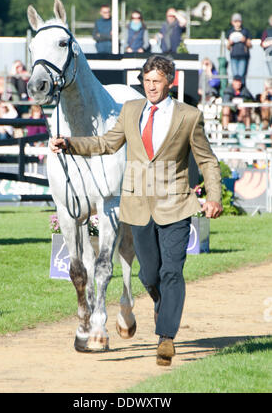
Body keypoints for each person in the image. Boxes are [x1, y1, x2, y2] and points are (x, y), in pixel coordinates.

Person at [49, 55, 223, 367]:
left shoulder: (189, 115)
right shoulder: (131, 111)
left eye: (156, 81)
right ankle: (160, 301)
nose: (151, 87)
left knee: (172, 271)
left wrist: (214, 196)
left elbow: (207, 160)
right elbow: (106, 143)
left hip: (175, 204)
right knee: (149, 274)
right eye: (147, 81)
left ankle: (166, 337)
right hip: (138, 207)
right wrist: (71, 144)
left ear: (169, 82)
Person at [226, 13, 252, 85]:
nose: (237, 24)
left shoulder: (245, 31)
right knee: (235, 75)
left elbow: (250, 45)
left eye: (239, 21)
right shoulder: (230, 32)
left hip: (243, 56)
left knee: (241, 75)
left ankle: (242, 92)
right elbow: (228, 47)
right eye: (235, 22)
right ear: (232, 22)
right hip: (233, 56)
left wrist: (245, 40)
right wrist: (230, 43)